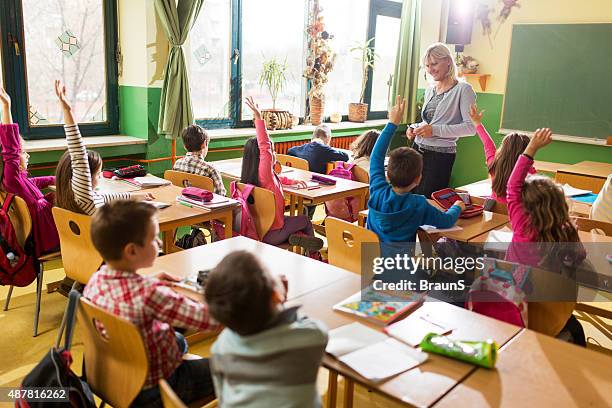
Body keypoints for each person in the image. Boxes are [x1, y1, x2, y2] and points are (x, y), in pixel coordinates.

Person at [84, 200, 217, 407]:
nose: (161, 244)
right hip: (154, 389)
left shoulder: (96, 280)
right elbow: (210, 320)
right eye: (154, 239)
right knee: (230, 368)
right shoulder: (151, 295)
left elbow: (129, 294)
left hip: (113, 374)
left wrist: (150, 280)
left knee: (178, 339)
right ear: (131, 251)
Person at [205, 250, 327, 408]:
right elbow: (318, 329)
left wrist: (275, 300)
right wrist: (282, 303)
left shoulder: (220, 349)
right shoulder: (309, 338)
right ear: (275, 295)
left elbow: (223, 399)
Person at [506, 128, 586, 341]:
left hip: (513, 313)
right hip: (551, 320)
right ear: (560, 205)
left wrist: (531, 148)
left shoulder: (521, 225)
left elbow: (512, 187)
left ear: (524, 205)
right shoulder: (566, 233)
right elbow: (578, 257)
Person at [367, 96, 465, 243]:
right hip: (402, 265)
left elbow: (376, 156)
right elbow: (447, 221)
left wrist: (392, 123)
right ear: (419, 178)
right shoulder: (418, 204)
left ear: (388, 173)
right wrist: (457, 207)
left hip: (369, 261)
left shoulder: (377, 190)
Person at [53, 80, 152, 215]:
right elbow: (78, 154)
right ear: (84, 177)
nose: (100, 177)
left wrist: (134, 197)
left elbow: (106, 198)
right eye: (98, 173)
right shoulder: (84, 197)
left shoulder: (73, 197)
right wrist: (67, 110)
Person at [241, 97, 323, 253]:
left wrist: (290, 182)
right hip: (272, 233)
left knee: (291, 221)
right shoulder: (265, 173)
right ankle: (313, 257)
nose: (273, 153)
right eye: (272, 150)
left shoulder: (250, 176)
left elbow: (276, 178)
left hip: (255, 231)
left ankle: (297, 236)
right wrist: (259, 119)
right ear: (262, 157)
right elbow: (264, 147)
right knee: (305, 220)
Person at [406, 43, 477, 198]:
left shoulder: (463, 90)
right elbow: (428, 122)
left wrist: (434, 130)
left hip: (439, 157)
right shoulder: (430, 90)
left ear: (448, 62)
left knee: (427, 202)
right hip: (416, 151)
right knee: (408, 198)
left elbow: (471, 128)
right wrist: (414, 127)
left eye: (434, 64)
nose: (430, 69)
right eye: (427, 66)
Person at [0, 87, 58, 256]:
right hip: (48, 236)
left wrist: (54, 178)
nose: (27, 155)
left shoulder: (12, 182)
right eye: (23, 152)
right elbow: (10, 148)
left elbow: (33, 182)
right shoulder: (12, 178)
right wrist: (6, 108)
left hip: (44, 230)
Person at [469, 104, 535, 203]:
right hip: (516, 214)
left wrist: (477, 122)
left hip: (495, 211)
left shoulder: (494, 162)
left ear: (503, 148)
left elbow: (487, 143)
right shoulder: (529, 172)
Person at [173, 124, 226, 196]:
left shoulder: (177, 164)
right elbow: (221, 196)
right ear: (204, 144)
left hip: (184, 203)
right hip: (205, 206)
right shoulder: (210, 169)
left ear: (185, 146)